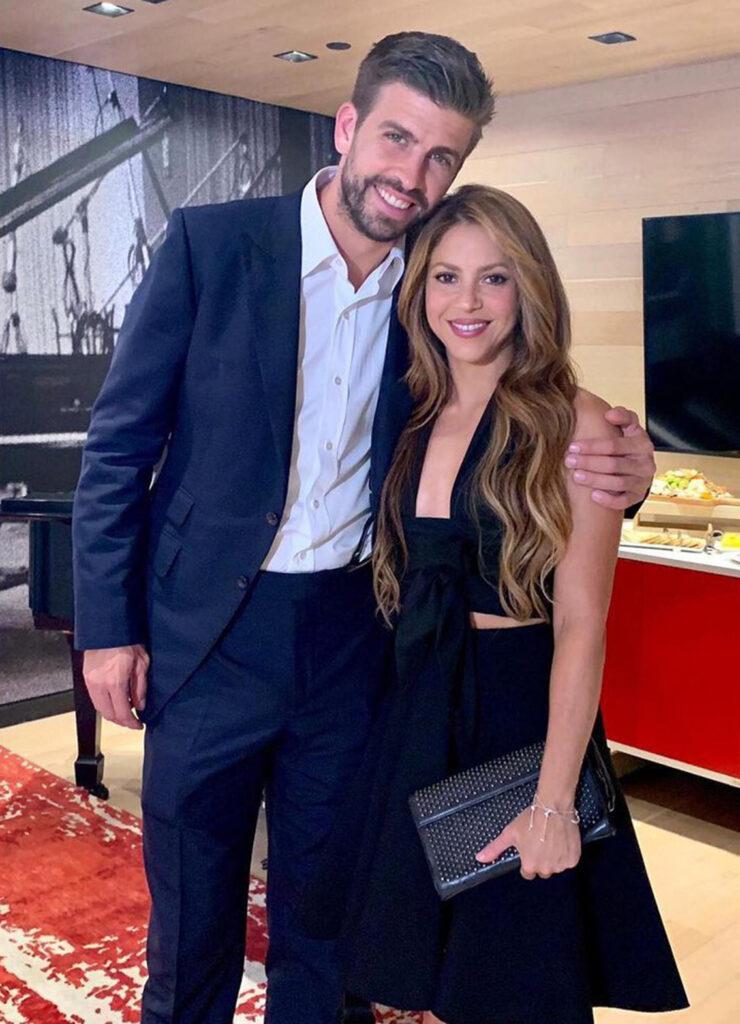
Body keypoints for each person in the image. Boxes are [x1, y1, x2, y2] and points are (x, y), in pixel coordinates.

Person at [72, 33, 658, 1024]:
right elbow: (118, 448)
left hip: (356, 642)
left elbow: (508, 426)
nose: (412, 175)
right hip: (208, 638)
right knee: (193, 918)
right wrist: (106, 628)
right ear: (347, 127)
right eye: (397, 138)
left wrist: (621, 468)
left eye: (441, 156)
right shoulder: (214, 245)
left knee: (323, 920)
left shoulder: (428, 285)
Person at [299, 184, 689, 1024]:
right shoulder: (412, 410)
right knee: (426, 971)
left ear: (529, 287)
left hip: (516, 714)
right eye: (446, 277)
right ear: (420, 290)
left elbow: (582, 624)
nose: (467, 303)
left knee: (510, 975)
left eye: (494, 277)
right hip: (417, 704)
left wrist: (553, 802)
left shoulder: (576, 423)